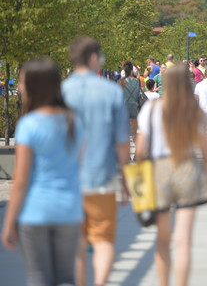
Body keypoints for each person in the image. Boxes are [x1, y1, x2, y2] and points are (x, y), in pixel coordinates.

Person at [2, 59, 84, 286]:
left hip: (36, 212)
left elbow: (21, 179)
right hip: (69, 210)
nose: (19, 87)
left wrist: (9, 222)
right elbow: (79, 166)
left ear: (34, 86)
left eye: (22, 82)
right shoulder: (74, 121)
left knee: (39, 278)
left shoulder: (29, 125)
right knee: (67, 278)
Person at [62, 36, 131, 286]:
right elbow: (122, 142)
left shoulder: (60, 92)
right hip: (101, 177)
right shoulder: (111, 91)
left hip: (67, 181)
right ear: (93, 58)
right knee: (103, 241)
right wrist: (126, 179)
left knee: (76, 246)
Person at [135, 64, 207, 286]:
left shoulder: (151, 109)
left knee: (162, 240)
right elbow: (205, 154)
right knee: (183, 241)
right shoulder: (194, 112)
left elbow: (140, 151)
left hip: (159, 170)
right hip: (188, 169)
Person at [119, 61, 143, 140]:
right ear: (132, 69)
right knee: (134, 125)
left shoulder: (121, 81)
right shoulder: (137, 81)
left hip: (124, 105)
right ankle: (135, 142)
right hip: (134, 105)